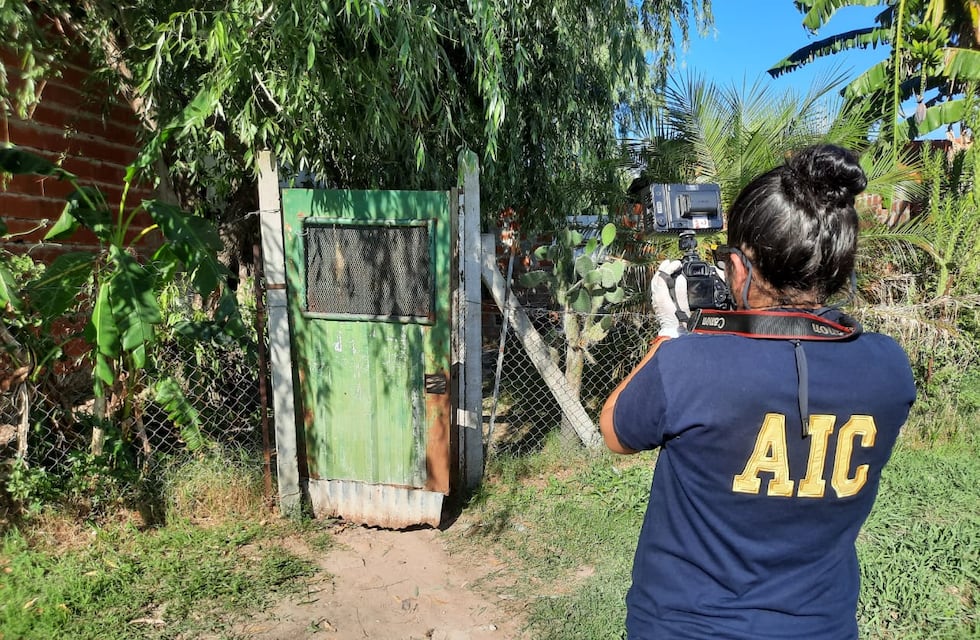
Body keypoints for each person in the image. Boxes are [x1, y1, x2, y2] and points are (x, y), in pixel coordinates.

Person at [599, 144, 916, 640]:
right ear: (836, 268)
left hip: (685, 626)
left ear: (740, 269)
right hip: (820, 627)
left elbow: (615, 431)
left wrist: (670, 330)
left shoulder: (689, 364)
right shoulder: (889, 368)